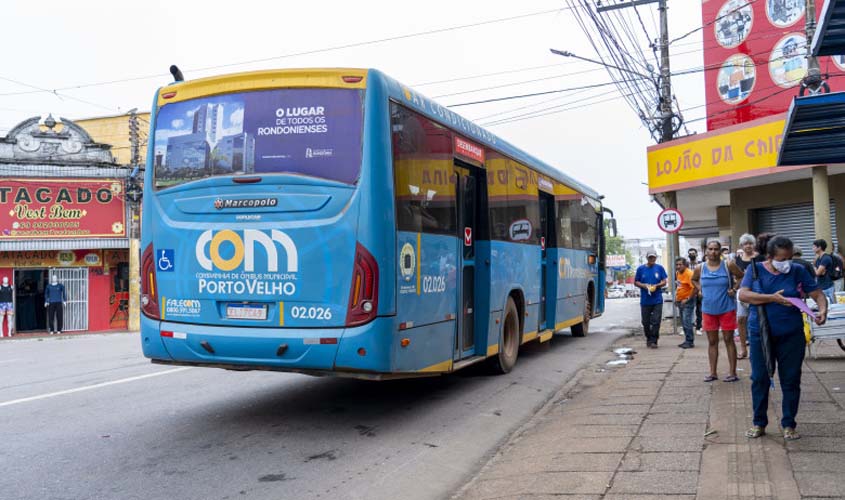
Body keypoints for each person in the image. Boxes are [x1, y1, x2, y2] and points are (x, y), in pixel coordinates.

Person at [739, 236, 828, 441]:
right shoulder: (755, 270)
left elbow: (817, 294)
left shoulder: (797, 270)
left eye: (789, 258)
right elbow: (743, 295)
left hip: (791, 333)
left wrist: (822, 310)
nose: (786, 262)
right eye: (782, 259)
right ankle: (759, 422)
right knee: (759, 378)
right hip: (761, 333)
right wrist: (772, 298)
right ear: (770, 257)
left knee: (791, 379)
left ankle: (789, 424)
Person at [692, 240, 746, 382]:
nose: (713, 252)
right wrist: (700, 290)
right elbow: (694, 280)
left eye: (716, 249)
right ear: (706, 251)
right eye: (710, 249)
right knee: (712, 341)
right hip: (708, 309)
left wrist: (734, 289)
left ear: (720, 251)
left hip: (727, 308)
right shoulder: (700, 268)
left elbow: (741, 276)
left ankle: (733, 373)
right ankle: (712, 373)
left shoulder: (728, 265)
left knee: (728, 339)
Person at [734, 234, 762, 359]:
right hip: (741, 292)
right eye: (745, 244)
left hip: (756, 292)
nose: (748, 246)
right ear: (742, 246)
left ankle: (756, 349)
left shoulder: (759, 258)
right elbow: (736, 276)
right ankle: (743, 349)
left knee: (755, 320)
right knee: (741, 319)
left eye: (750, 243)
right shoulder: (738, 259)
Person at [635, 251, 668, 348]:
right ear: (647, 258)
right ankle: (648, 338)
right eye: (650, 258)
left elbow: (664, 281)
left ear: (656, 258)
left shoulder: (659, 268)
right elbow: (636, 282)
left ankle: (654, 340)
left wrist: (657, 285)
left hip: (657, 299)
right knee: (645, 322)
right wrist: (644, 286)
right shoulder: (641, 269)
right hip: (645, 300)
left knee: (656, 320)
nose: (652, 259)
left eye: (653, 257)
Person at [675, 257, 696, 349]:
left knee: (687, 321)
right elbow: (680, 287)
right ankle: (687, 340)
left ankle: (690, 341)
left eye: (680, 264)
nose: (678, 266)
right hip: (680, 300)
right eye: (677, 265)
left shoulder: (689, 273)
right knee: (683, 321)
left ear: (685, 265)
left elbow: (694, 288)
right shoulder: (677, 273)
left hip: (688, 300)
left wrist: (687, 298)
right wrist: (677, 299)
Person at [812, 239, 836, 304]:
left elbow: (817, 273)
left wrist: (815, 268)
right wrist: (817, 269)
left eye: (814, 247)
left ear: (819, 247)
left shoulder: (826, 258)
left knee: (831, 306)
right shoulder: (818, 258)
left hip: (828, 287)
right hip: (821, 286)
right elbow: (818, 271)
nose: (812, 248)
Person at [688, 247, 703, 334]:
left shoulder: (700, 265)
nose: (691, 255)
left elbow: (701, 277)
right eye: (690, 254)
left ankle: (698, 327)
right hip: (689, 290)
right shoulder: (686, 265)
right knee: (689, 309)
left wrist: (700, 289)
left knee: (699, 309)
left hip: (698, 288)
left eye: (693, 253)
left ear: (696, 254)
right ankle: (688, 327)